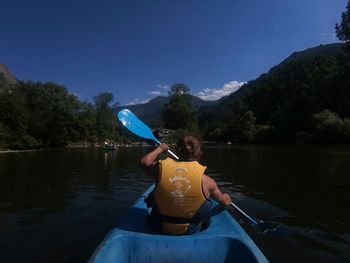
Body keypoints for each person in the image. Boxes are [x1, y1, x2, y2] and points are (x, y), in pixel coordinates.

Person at [140, 135, 231, 235]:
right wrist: (225, 199)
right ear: (200, 154)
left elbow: (144, 162)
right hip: (190, 230)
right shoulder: (208, 182)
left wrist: (160, 149)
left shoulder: (159, 169)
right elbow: (223, 201)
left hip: (158, 225)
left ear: (177, 151)